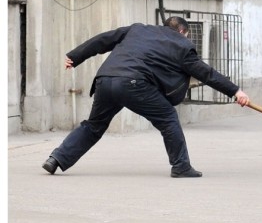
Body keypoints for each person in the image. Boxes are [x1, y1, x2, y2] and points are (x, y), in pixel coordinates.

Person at [42, 16, 249, 178]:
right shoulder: (182, 45)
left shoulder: (138, 29)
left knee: (94, 126)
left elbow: (103, 40)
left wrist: (75, 56)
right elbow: (207, 74)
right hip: (134, 83)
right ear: (183, 31)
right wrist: (235, 91)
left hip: (105, 79)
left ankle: (57, 158)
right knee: (168, 118)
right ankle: (181, 166)